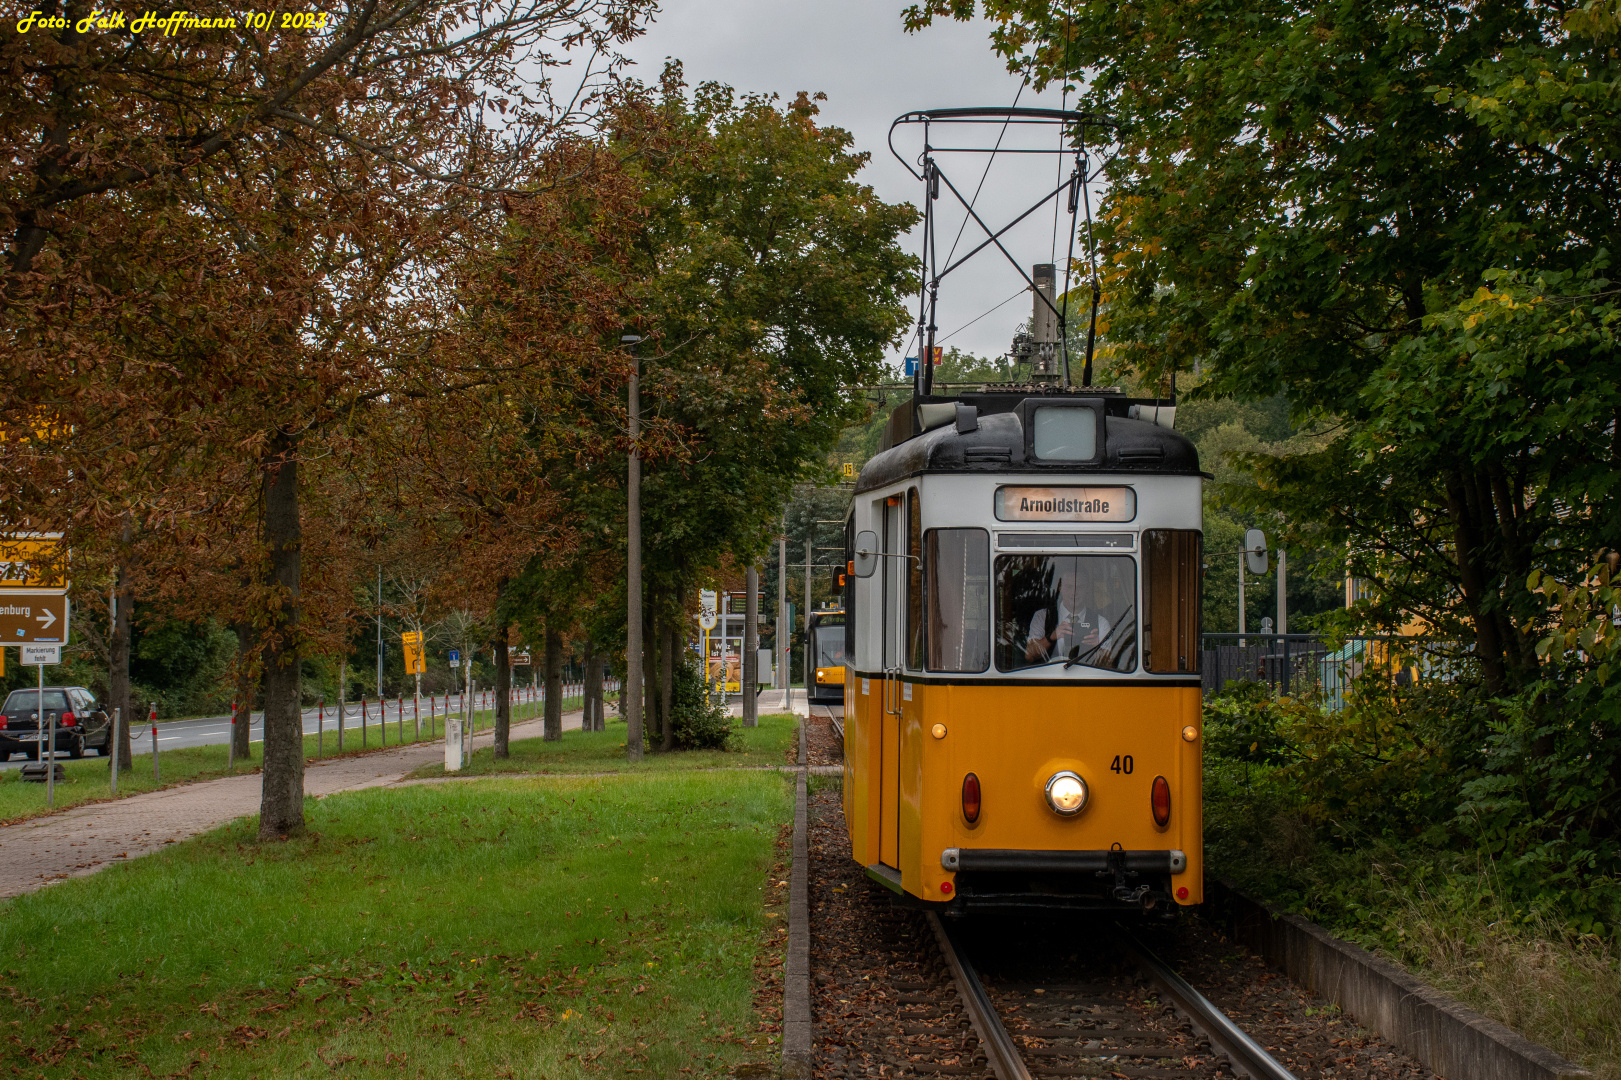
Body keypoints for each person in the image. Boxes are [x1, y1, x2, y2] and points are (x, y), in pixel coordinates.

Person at [1024, 565, 1112, 663]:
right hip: (1049, 677)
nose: (1074, 592)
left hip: (1086, 677)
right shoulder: (1042, 617)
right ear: (1060, 587)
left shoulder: (1101, 622)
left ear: (1087, 589)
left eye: (1080, 587)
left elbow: (1109, 665)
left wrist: (1098, 647)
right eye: (1069, 587)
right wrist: (1052, 636)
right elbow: (1029, 655)